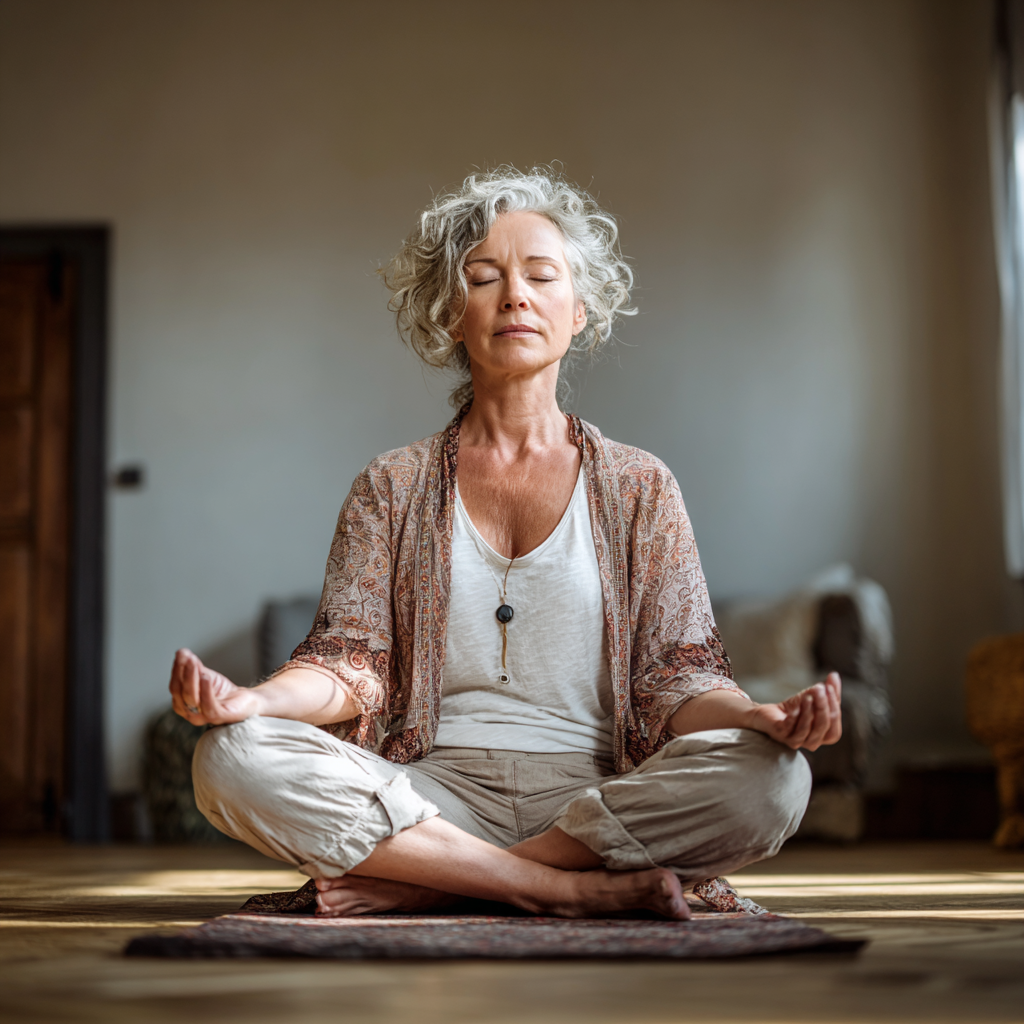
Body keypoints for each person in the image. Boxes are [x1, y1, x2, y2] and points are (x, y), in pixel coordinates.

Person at [170, 167, 841, 920]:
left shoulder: (640, 486)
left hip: (596, 800)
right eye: (484, 277)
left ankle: (436, 882)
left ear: (580, 310)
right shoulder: (390, 485)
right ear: (451, 313)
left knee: (777, 777)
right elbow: (347, 664)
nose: (515, 295)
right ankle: (553, 888)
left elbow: (678, 680)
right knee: (229, 757)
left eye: (541, 276)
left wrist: (760, 719)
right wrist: (250, 701)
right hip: (428, 796)